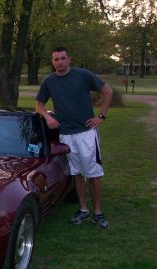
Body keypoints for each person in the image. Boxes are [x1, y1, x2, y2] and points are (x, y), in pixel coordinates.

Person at [35, 46, 112, 228]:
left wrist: (101, 116)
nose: (60, 62)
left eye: (63, 58)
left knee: (93, 174)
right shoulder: (49, 81)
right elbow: (39, 105)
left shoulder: (83, 75)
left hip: (86, 134)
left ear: (69, 59)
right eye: (56, 59)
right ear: (52, 62)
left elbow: (107, 91)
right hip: (66, 136)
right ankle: (83, 210)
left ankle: (98, 212)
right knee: (76, 174)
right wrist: (47, 117)